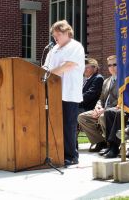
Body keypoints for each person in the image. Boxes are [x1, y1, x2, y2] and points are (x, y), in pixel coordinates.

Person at [44, 20, 85, 166]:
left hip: (69, 92)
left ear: (68, 33)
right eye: (54, 36)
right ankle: (59, 152)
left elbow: (69, 65)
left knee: (69, 124)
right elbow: (45, 67)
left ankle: (71, 156)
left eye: (58, 35)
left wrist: (49, 73)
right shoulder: (54, 49)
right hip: (54, 92)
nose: (55, 38)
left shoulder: (75, 46)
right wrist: (45, 72)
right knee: (57, 124)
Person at [78, 55, 118, 153]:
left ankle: (110, 144)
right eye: (109, 65)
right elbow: (101, 98)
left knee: (103, 116)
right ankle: (100, 141)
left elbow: (121, 99)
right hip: (101, 109)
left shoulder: (124, 80)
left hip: (115, 110)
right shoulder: (106, 81)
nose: (111, 67)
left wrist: (104, 109)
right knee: (82, 117)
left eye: (114, 64)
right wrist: (98, 107)